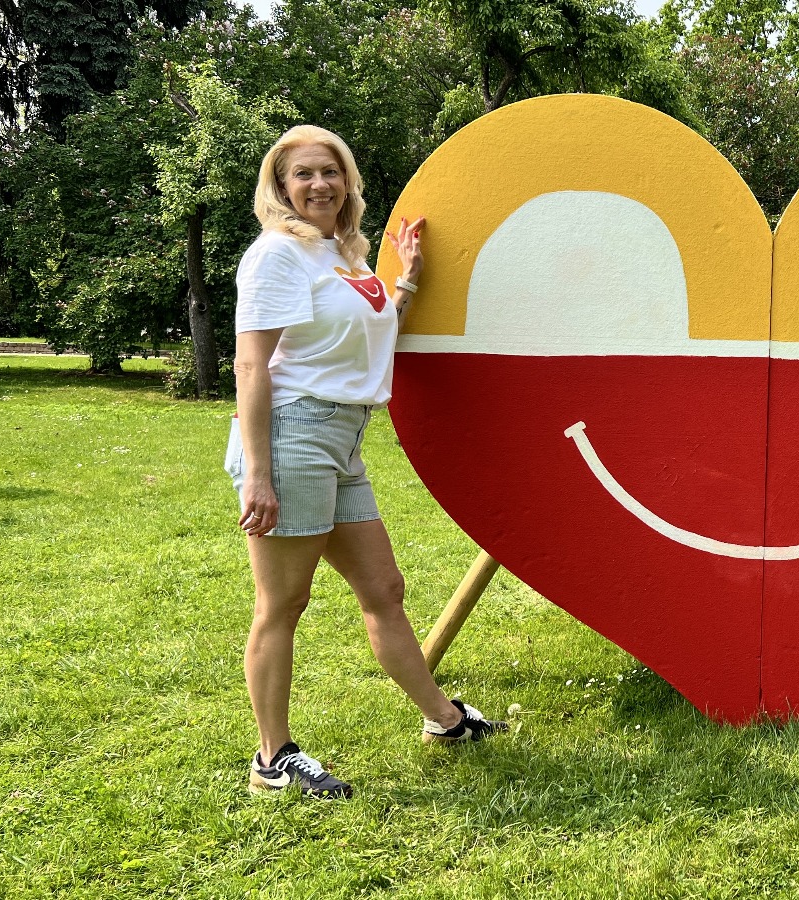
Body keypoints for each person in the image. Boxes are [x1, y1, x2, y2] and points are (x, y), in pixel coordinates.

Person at [226, 125, 504, 798]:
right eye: (303, 174)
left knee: (383, 589)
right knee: (283, 603)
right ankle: (272, 759)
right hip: (293, 435)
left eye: (331, 171)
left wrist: (405, 282)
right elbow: (251, 365)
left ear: (348, 180)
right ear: (281, 187)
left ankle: (445, 721)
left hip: (342, 440)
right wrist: (259, 473)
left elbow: (370, 336)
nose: (319, 184)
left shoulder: (340, 256)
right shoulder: (277, 256)